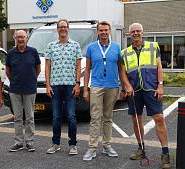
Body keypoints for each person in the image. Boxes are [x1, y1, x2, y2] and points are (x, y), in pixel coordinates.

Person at [120, 23, 170, 169]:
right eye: (133, 31)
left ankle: (165, 154)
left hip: (151, 89)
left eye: (138, 31)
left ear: (142, 32)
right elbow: (122, 72)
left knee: (159, 118)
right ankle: (141, 148)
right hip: (134, 91)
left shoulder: (153, 46)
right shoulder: (125, 53)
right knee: (136, 120)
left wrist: (160, 85)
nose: (135, 33)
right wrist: (126, 85)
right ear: (129, 34)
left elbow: (159, 67)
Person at [82, 21, 122, 161]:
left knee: (108, 118)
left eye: (106, 30)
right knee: (95, 118)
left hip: (112, 86)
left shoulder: (117, 47)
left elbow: (121, 69)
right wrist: (86, 88)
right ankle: (92, 148)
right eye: (101, 30)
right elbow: (87, 69)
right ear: (97, 32)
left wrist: (122, 86)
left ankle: (107, 145)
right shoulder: (91, 48)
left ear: (109, 31)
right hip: (97, 86)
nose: (104, 32)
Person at [45, 19, 82, 155]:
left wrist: (78, 83)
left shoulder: (75, 45)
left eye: (65, 27)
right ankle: (56, 144)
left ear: (68, 28)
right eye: (60, 27)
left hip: (70, 86)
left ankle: (73, 145)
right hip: (55, 86)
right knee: (56, 117)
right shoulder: (50, 46)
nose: (63, 29)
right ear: (57, 29)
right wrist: (48, 85)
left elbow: (78, 66)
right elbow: (47, 67)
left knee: (71, 116)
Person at [6, 30, 41, 152]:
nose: (20, 39)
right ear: (15, 38)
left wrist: (31, 79)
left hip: (30, 89)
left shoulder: (33, 52)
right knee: (18, 117)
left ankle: (30, 142)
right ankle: (18, 142)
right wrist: (15, 81)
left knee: (30, 117)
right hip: (15, 89)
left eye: (22, 37)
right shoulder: (11, 53)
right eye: (18, 37)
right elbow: (8, 70)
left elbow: (38, 68)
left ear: (26, 38)